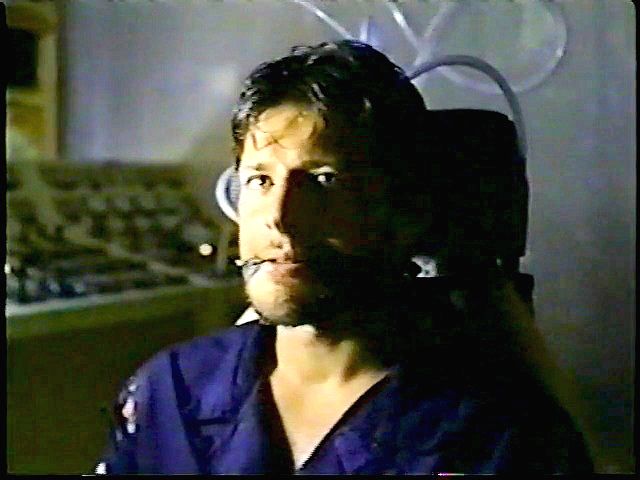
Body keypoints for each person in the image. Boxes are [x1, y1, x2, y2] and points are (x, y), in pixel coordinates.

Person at [95, 40, 593, 474]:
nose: (281, 218)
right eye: (261, 180)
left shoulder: (492, 436)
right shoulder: (171, 393)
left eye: (323, 181)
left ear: (406, 210)